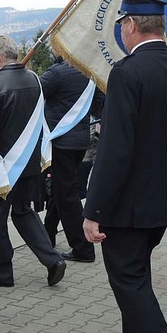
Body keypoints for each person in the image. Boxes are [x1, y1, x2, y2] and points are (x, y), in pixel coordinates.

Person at [83, 0, 167, 333]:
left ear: (130, 25)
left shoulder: (128, 73)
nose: (122, 31)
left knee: (131, 286)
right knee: (136, 279)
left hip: (126, 208)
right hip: (160, 204)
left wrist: (93, 210)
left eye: (121, 25)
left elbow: (115, 151)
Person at [0, 35, 66, 288]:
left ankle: (3, 271)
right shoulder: (35, 80)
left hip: (2, 166)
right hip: (29, 163)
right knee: (23, 211)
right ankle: (53, 260)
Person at [41, 57, 101, 262]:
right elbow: (99, 105)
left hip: (61, 142)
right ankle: (46, 234)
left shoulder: (56, 73)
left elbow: (35, 93)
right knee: (62, 190)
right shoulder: (89, 72)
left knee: (67, 197)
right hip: (80, 141)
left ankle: (83, 248)